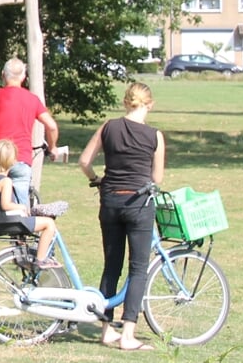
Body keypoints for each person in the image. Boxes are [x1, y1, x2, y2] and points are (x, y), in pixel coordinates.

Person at [78, 81, 166, 352]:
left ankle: (106, 330)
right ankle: (128, 334)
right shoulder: (155, 136)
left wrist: (97, 180)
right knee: (138, 268)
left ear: (126, 102)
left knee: (111, 265)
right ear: (149, 104)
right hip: (138, 204)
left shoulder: (108, 127)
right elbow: (157, 178)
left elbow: (84, 161)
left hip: (111, 202)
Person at [0, 57, 59, 205]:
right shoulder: (32, 99)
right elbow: (51, 126)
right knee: (21, 209)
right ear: (23, 77)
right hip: (21, 159)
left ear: (3, 75)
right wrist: (52, 148)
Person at [0, 139, 60, 270]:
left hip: (1, 220)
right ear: (12, 161)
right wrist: (21, 206)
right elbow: (5, 205)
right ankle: (41, 259)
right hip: (14, 221)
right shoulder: (6, 181)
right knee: (49, 224)